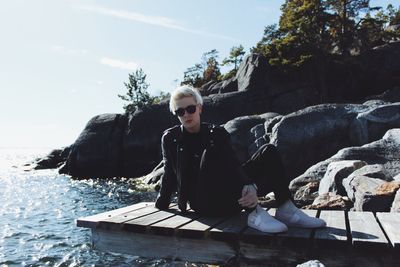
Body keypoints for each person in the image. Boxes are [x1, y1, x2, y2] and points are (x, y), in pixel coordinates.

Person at [155, 85, 326, 233]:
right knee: (211, 153)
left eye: (190, 109)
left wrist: (250, 185)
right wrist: (161, 204)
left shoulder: (217, 133)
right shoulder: (171, 138)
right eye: (180, 111)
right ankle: (254, 212)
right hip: (204, 203)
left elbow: (232, 164)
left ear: (200, 108)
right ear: (176, 114)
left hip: (230, 198)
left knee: (269, 151)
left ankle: (286, 209)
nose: (186, 115)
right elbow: (169, 172)